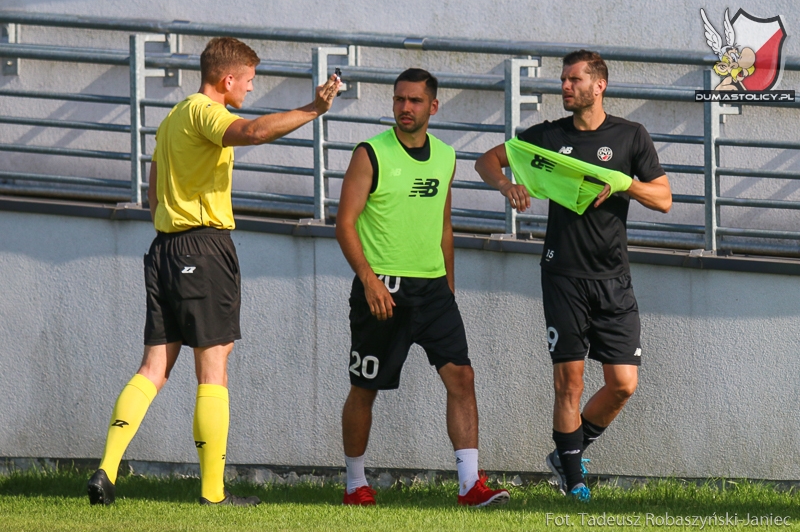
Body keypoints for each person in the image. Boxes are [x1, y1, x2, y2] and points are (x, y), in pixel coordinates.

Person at [87, 37, 341, 506]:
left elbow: (152, 193)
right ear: (228, 79)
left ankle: (106, 470)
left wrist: (174, 231)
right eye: (248, 81)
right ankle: (212, 494)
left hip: (164, 247)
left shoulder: (169, 119)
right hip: (202, 249)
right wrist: (312, 109)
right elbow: (253, 132)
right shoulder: (206, 111)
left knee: (153, 367)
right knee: (213, 368)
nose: (249, 89)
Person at [475, 50, 672, 502]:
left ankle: (569, 451)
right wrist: (508, 185)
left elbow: (663, 199)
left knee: (623, 383)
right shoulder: (547, 136)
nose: (564, 87)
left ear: (598, 85)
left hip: (614, 279)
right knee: (570, 381)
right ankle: (574, 479)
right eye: (562, 80)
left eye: (573, 80)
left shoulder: (629, 136)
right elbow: (486, 160)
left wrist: (625, 183)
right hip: (563, 274)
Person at [335, 68, 510, 508]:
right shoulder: (370, 153)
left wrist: (449, 285)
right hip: (383, 291)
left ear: (433, 106)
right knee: (364, 387)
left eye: (414, 101)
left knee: (462, 378)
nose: (405, 108)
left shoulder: (445, 157)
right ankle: (356, 484)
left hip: (433, 292)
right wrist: (369, 280)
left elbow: (444, 226)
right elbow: (345, 224)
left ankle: (470, 485)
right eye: (399, 100)